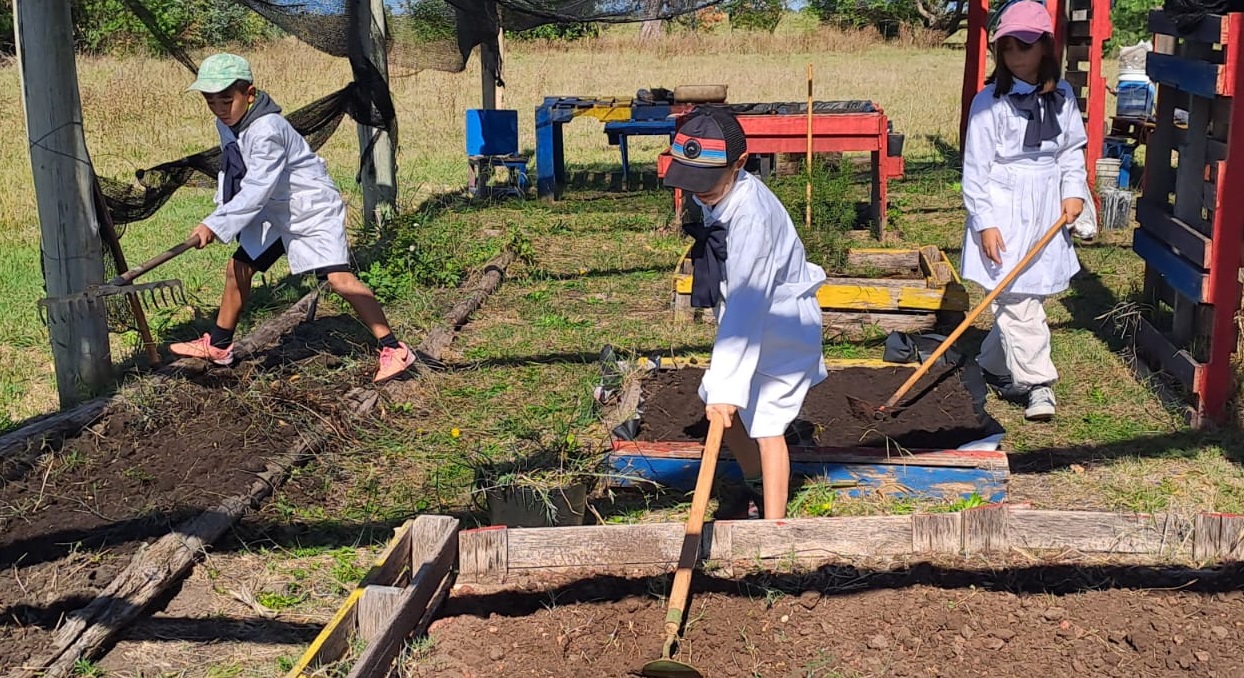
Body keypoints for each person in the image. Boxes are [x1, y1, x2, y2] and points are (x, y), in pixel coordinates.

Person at [168, 53, 415, 383]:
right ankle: (219, 344)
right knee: (238, 268)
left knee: (340, 280)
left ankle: (394, 348)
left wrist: (216, 224)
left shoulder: (267, 129)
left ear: (250, 94)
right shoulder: (226, 124)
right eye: (211, 102)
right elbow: (234, 171)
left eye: (227, 100)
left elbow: (257, 188)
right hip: (275, 211)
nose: (219, 108)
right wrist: (219, 210)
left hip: (309, 210)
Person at [663, 106, 828, 520]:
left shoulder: (753, 216)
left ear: (740, 163)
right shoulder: (718, 193)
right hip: (749, 319)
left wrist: (727, 388)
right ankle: (753, 480)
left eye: (707, 182)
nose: (699, 192)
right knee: (716, 403)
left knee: (768, 421)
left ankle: (773, 528)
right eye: (691, 182)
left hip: (783, 326)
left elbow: (748, 303)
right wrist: (723, 391)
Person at [961, 1, 1096, 422]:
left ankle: (993, 365)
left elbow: (1072, 151)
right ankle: (1039, 384)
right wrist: (985, 223)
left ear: (1044, 48)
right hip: (1003, 207)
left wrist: (1073, 191)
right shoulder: (989, 102)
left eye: (1025, 46)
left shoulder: (1064, 95)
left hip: (1045, 203)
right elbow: (975, 170)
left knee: (1022, 295)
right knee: (1016, 299)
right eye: (1007, 47)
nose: (1016, 55)